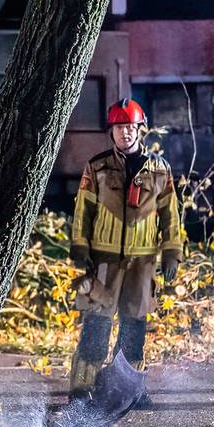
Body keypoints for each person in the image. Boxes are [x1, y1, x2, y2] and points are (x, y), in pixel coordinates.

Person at [68, 99, 182, 398]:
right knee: (95, 328)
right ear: (112, 132)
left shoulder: (159, 169)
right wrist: (80, 247)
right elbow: (83, 211)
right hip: (103, 261)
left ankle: (127, 391)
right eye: (119, 128)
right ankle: (82, 389)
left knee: (133, 331)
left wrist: (172, 252)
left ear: (140, 130)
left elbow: (170, 214)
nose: (125, 133)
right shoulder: (97, 167)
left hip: (142, 263)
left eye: (130, 127)